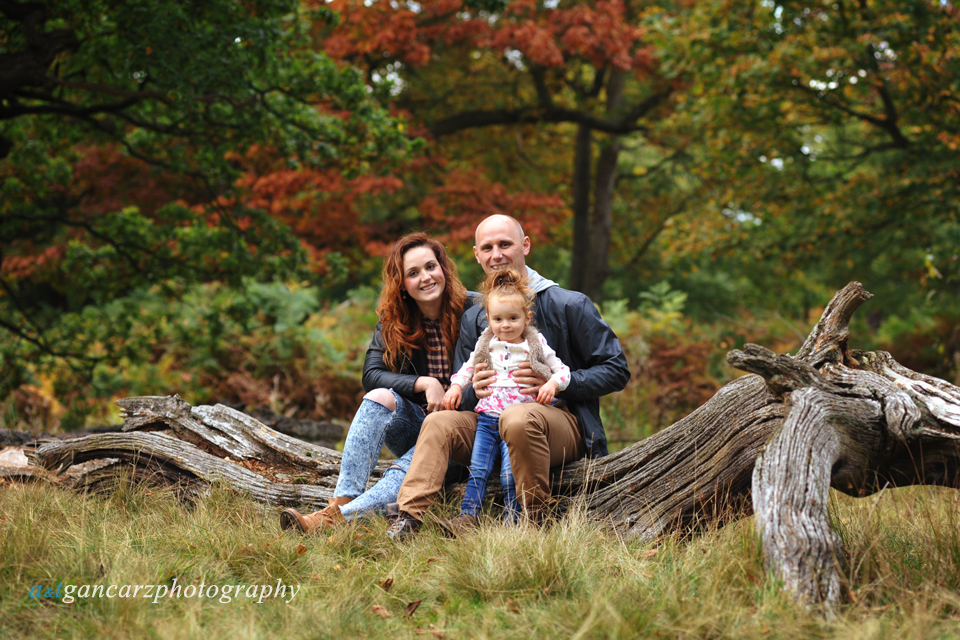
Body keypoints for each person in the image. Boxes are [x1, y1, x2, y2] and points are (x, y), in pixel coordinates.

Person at [386, 214, 631, 540]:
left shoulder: (569, 304)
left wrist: (562, 382)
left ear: (525, 245)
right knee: (438, 422)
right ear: (477, 255)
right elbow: (465, 393)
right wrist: (473, 388)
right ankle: (408, 518)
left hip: (560, 423)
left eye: (505, 244)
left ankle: (532, 523)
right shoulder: (475, 317)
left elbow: (617, 369)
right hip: (490, 421)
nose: (496, 254)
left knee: (517, 418)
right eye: (487, 248)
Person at [280, 232, 476, 534]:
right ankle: (343, 499)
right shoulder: (395, 320)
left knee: (404, 468)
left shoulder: (476, 312)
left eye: (430, 266)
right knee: (380, 397)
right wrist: (423, 383)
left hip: (461, 440)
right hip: (416, 425)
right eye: (413, 273)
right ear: (403, 285)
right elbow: (371, 376)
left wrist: (456, 391)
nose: (425, 277)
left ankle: (332, 521)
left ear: (444, 269)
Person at [442, 268, 571, 531]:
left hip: (516, 424)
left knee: (509, 475)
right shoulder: (486, 343)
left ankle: (513, 520)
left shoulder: (535, 345)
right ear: (488, 319)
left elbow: (563, 371)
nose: (506, 325)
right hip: (488, 420)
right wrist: (456, 386)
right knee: (478, 469)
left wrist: (552, 384)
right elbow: (468, 368)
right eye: (498, 319)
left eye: (513, 318)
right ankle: (468, 516)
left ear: (527, 317)